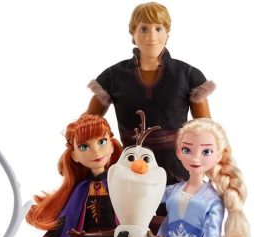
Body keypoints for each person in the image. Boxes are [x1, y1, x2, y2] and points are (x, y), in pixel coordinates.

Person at [86, 2, 215, 186]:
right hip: (130, 169)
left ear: (167, 33)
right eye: (144, 29)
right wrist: (72, 150)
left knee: (175, 205)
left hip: (178, 172)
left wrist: (216, 165)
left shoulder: (187, 75)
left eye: (158, 28)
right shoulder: (114, 76)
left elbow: (206, 129)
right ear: (133, 33)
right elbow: (88, 124)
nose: (152, 36)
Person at [17, 115, 122, 237]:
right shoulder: (80, 190)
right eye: (84, 147)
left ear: (112, 145)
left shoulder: (122, 185)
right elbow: (64, 223)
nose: (96, 151)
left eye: (102, 142)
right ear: (74, 156)